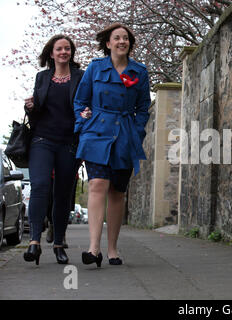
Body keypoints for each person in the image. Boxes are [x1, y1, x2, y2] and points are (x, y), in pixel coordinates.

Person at [74, 23, 151, 267]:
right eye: (116, 38)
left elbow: (143, 108)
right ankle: (93, 248)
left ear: (129, 43)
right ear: (108, 43)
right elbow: (80, 101)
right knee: (97, 183)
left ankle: (112, 249)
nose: (121, 41)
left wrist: (137, 133)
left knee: (117, 191)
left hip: (125, 134)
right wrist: (83, 120)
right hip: (96, 132)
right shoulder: (95, 68)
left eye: (125, 38)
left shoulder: (139, 71)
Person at [23, 35, 84, 265]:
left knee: (62, 193)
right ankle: (34, 242)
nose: (63, 52)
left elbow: (86, 101)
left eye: (67, 48)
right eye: (59, 49)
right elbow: (37, 110)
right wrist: (30, 106)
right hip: (42, 140)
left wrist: (86, 113)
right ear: (51, 53)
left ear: (71, 52)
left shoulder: (81, 76)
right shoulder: (42, 77)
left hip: (69, 142)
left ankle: (59, 243)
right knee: (39, 185)